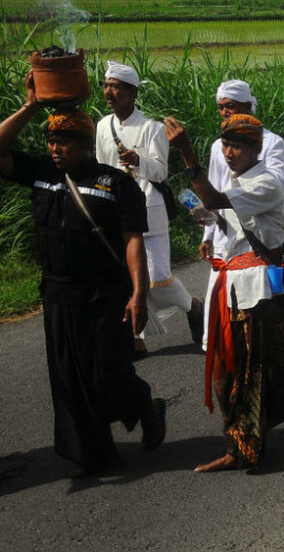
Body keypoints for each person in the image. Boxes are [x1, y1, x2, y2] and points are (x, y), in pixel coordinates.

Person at [1, 83, 165, 478]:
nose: (55, 149)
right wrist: (31, 105)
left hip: (104, 294)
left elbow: (131, 240)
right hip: (58, 294)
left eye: (64, 142)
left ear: (86, 144)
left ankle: (143, 404)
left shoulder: (115, 184)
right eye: (51, 141)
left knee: (107, 372)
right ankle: (93, 456)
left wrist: (139, 293)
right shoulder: (41, 173)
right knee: (69, 379)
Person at [164, 113, 284, 472]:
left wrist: (188, 154)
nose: (229, 152)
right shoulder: (237, 181)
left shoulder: (265, 182)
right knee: (225, 369)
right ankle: (238, 443)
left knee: (270, 360)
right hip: (231, 285)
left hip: (261, 287)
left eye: (237, 145)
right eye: (226, 144)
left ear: (257, 148)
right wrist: (211, 223)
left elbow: (220, 199)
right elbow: (227, 215)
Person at [95, 61, 203, 353]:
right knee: (126, 275)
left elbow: (160, 173)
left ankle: (192, 306)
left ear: (131, 93)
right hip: (117, 210)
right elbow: (100, 167)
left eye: (115, 87)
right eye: (106, 85)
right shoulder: (103, 126)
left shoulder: (151, 128)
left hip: (148, 208)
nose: (108, 92)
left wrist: (138, 160)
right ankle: (136, 336)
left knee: (155, 277)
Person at [200, 80, 284, 351]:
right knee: (221, 301)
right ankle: (215, 343)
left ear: (248, 106)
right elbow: (213, 191)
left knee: (260, 313)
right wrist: (208, 231)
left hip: (257, 231)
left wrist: (245, 198)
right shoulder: (220, 145)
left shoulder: (271, 142)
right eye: (221, 107)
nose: (226, 112)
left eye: (231, 106)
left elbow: (275, 187)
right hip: (226, 232)